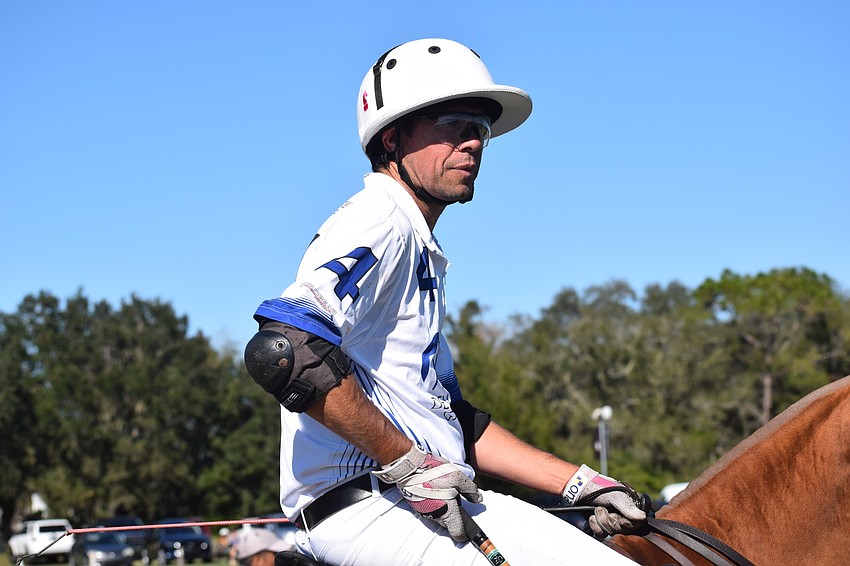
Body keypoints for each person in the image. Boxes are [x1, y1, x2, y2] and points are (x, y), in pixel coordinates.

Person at [244, 38, 646, 565]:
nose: (473, 143)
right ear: (392, 139)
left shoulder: (417, 243)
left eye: (479, 130)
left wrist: (579, 483)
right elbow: (286, 351)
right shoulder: (381, 218)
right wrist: (407, 464)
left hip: (417, 500)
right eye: (453, 124)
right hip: (372, 508)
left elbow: (455, 422)